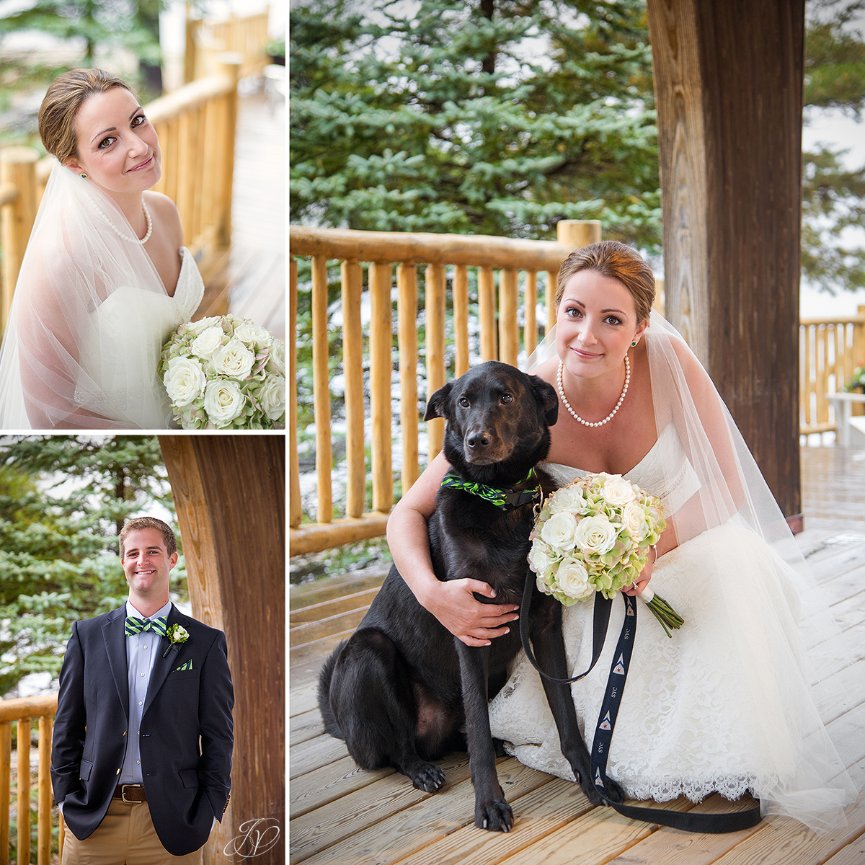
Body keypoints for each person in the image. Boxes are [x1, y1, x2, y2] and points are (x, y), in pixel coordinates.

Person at [386, 240, 859, 832]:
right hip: (583, 587)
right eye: (574, 313)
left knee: (731, 582)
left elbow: (726, 487)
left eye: (612, 319)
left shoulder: (669, 364)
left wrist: (651, 547)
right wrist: (433, 593)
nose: (587, 334)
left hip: (680, 543)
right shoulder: (520, 398)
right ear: (556, 313)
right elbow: (407, 511)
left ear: (639, 327)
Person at [0, 68, 205, 429]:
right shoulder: (61, 261)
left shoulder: (165, 213)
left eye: (138, 121)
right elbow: (50, 413)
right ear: (75, 164)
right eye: (107, 142)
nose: (140, 146)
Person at [50, 516, 234, 863]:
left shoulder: (205, 643)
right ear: (123, 562)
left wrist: (210, 807)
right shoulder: (86, 637)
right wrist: (65, 799)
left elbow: (218, 734)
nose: (142, 561)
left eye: (152, 551)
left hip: (171, 824)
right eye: (132, 553)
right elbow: (67, 726)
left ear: (172, 559)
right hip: (95, 818)